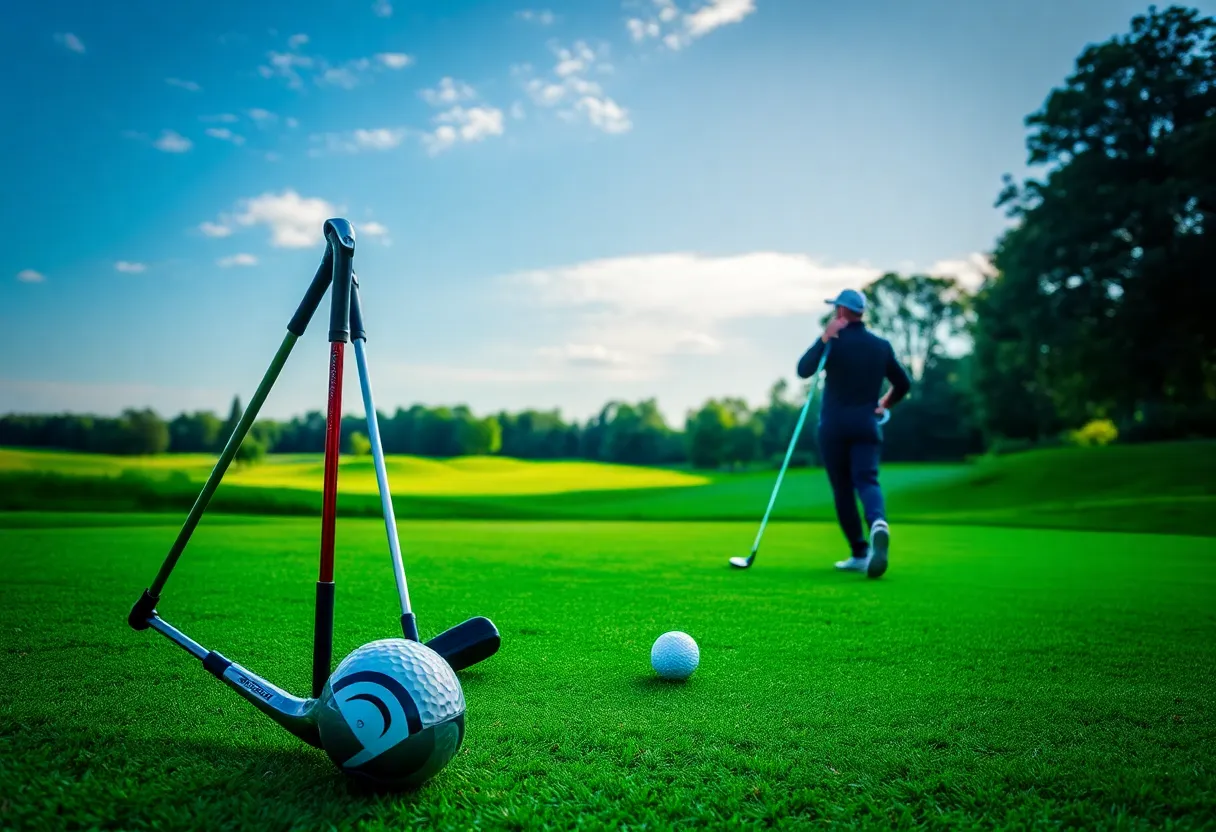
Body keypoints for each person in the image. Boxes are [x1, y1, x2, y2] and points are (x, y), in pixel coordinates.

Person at [796, 289, 911, 578]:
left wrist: (824, 338)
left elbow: (803, 370)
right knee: (867, 480)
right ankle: (878, 523)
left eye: (836, 309)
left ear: (842, 311)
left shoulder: (833, 342)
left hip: (833, 427)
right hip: (866, 425)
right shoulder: (880, 346)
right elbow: (903, 383)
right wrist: (884, 403)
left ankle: (860, 552)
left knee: (843, 489)